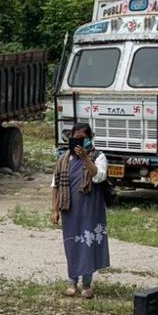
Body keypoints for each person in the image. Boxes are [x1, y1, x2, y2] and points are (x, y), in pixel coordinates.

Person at [51, 122, 110, 299]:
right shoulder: (63, 159)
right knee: (72, 244)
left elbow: (98, 177)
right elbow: (55, 185)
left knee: (88, 244)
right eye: (75, 138)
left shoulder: (98, 156)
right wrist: (54, 210)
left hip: (91, 209)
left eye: (82, 138)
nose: (78, 141)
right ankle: (71, 281)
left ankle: (86, 284)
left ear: (89, 139)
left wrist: (85, 158)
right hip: (70, 209)